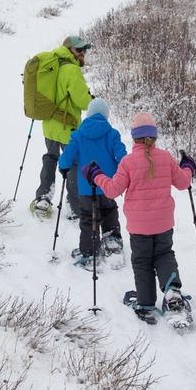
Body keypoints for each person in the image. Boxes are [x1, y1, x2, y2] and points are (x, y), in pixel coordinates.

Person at [87, 110, 195, 320]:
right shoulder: (165, 157)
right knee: (164, 255)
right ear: (154, 136)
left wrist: (96, 175)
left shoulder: (128, 162)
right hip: (164, 223)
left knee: (142, 261)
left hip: (139, 227)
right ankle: (172, 291)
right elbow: (183, 182)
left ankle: (145, 303)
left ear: (134, 136)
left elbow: (112, 190)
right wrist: (189, 167)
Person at [55, 97, 124, 268]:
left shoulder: (78, 135)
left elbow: (66, 158)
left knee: (88, 218)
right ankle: (112, 243)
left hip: (87, 187)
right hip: (109, 185)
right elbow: (122, 157)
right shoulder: (113, 134)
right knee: (109, 211)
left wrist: (63, 167)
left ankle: (88, 251)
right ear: (106, 116)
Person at [33, 35, 93, 218]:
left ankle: (43, 197)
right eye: (79, 50)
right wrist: (93, 100)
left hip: (49, 125)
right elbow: (83, 102)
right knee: (74, 165)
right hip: (68, 129)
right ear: (69, 50)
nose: (83, 53)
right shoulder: (72, 71)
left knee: (51, 158)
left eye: (84, 50)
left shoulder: (50, 66)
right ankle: (74, 207)